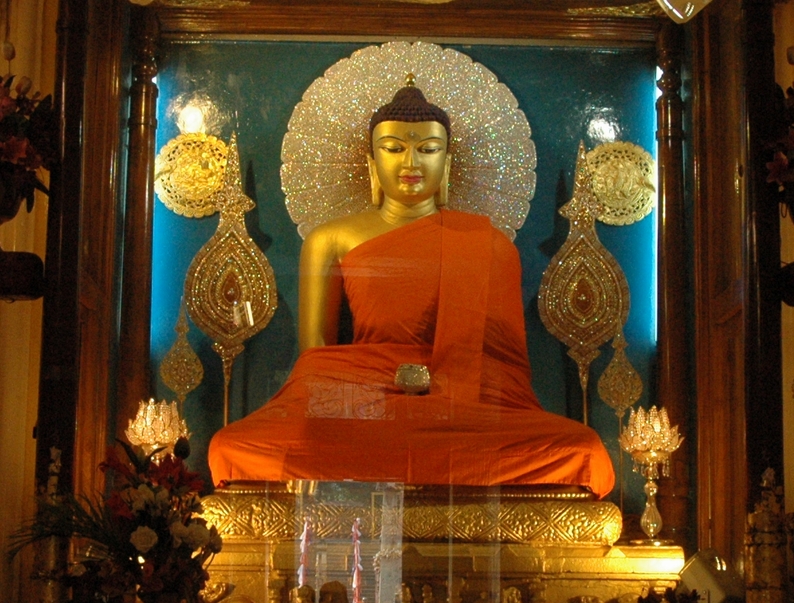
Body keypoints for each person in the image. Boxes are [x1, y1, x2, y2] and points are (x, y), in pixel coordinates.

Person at [208, 77, 615, 498]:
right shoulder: (330, 239)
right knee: (232, 446)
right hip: (363, 413)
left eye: (428, 149)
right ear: (370, 161)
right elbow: (318, 360)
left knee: (579, 449)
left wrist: (441, 388)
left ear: (448, 161)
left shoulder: (487, 243)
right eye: (393, 148)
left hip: (462, 417)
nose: (411, 162)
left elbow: (501, 373)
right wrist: (374, 390)